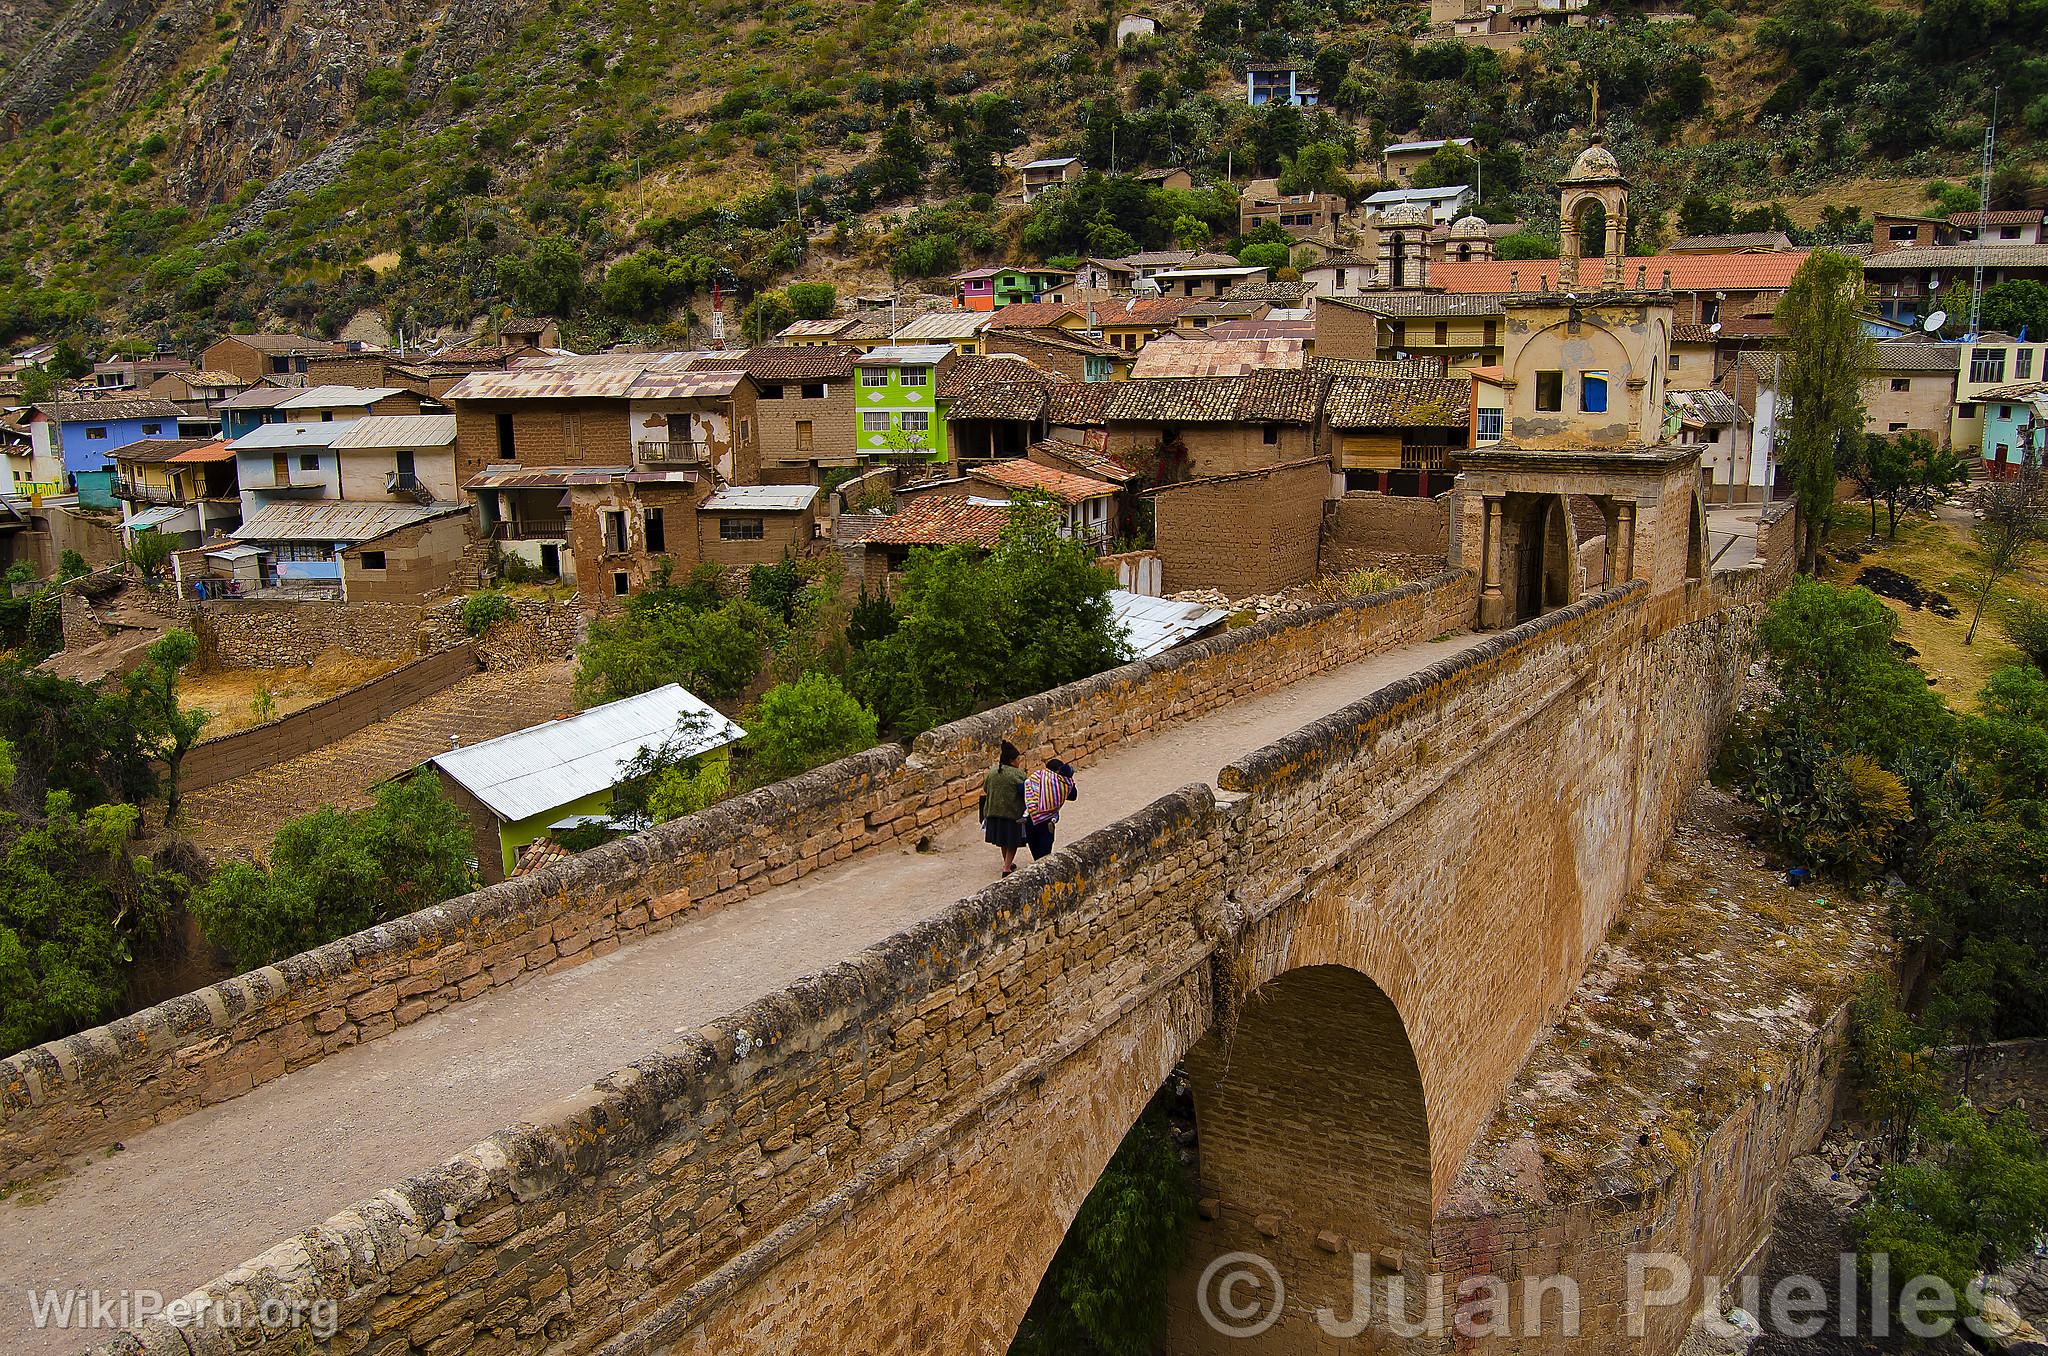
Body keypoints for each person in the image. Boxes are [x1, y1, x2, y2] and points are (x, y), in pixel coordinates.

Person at [979, 740, 1028, 876]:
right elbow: (1026, 791)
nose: (1019, 762)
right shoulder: (1017, 775)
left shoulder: (993, 772)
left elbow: (985, 788)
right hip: (1012, 813)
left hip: (993, 812)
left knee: (1002, 840)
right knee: (1012, 841)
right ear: (1012, 761)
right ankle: (1006, 868)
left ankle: (1007, 863)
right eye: (1018, 759)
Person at [1022, 758, 1078, 861]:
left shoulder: (1035, 777)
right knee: (1045, 853)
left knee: (1035, 850)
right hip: (1047, 821)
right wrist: (1069, 779)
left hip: (1031, 819)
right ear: (1058, 771)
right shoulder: (1061, 784)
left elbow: (1021, 789)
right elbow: (1073, 796)